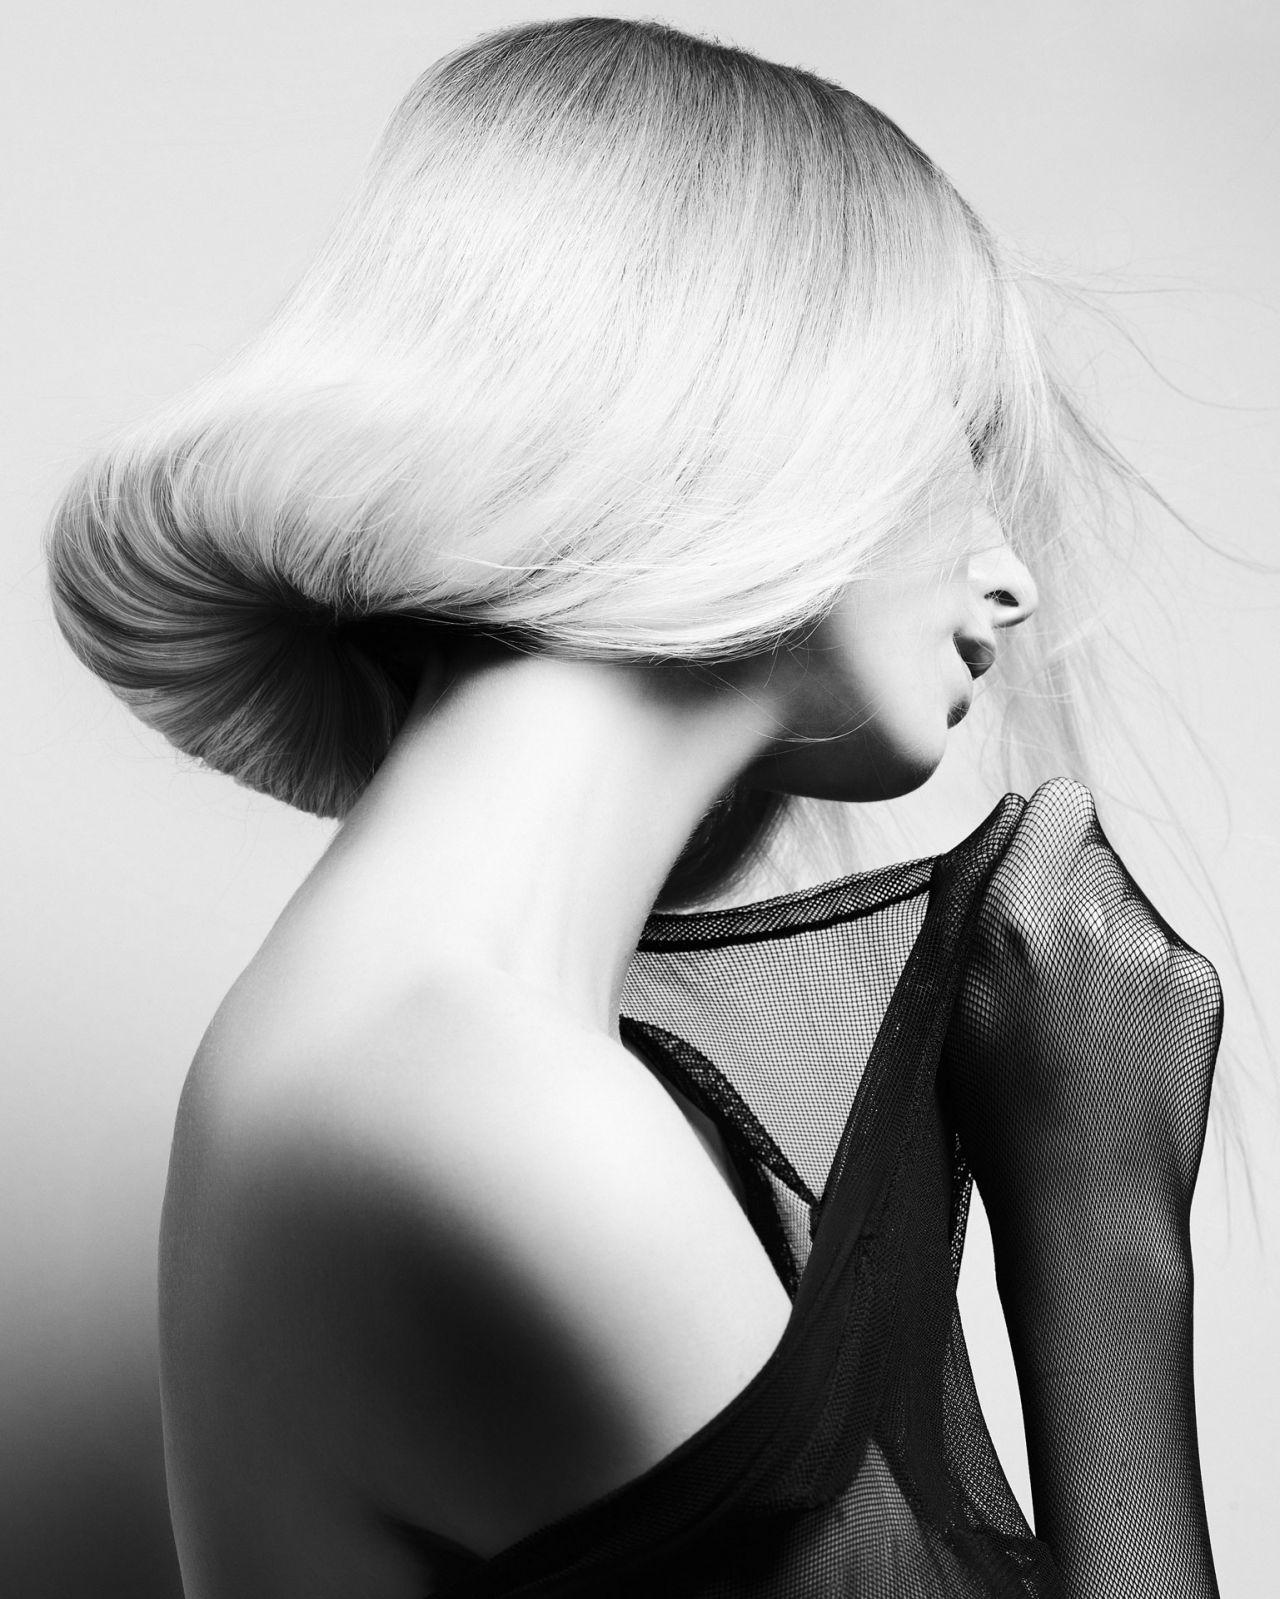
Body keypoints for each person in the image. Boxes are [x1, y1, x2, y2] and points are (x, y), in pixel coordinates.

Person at [42, 17, 1223, 1598]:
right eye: (962, 443)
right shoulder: (493, 1118)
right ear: (751, 400)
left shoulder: (412, 1041)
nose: (1007, 580)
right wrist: (1107, 1225)